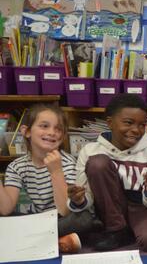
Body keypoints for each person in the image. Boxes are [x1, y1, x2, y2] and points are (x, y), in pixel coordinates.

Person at [67, 94, 147, 252]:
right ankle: (117, 230)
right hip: (107, 210)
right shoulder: (90, 151)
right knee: (98, 162)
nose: (136, 130)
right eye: (128, 123)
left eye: (142, 125)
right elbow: (87, 200)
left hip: (140, 207)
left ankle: (126, 232)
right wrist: (78, 200)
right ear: (110, 123)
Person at [0, 103, 96, 253]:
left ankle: (32, 240)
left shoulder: (68, 162)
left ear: (63, 136)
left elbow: (65, 211)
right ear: (26, 131)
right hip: (38, 220)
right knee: (5, 221)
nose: (52, 132)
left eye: (58, 129)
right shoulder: (16, 166)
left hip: (62, 220)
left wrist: (56, 171)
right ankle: (53, 241)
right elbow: (5, 209)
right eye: (44, 126)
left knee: (84, 218)